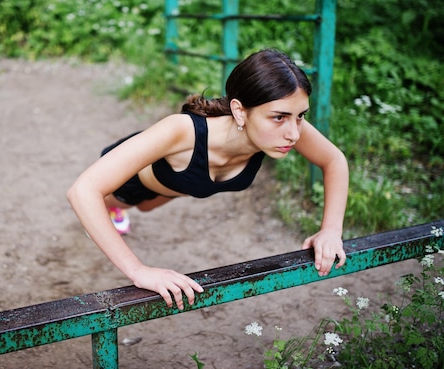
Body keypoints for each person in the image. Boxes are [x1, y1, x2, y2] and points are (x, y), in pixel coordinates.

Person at [67, 48, 348, 311]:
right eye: (279, 117)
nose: (294, 133)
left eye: (300, 116)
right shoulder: (181, 131)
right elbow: (82, 190)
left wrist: (331, 230)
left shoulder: (280, 127)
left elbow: (334, 159)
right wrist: (139, 271)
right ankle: (115, 208)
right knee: (117, 205)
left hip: (180, 188)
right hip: (134, 182)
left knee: (149, 206)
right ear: (240, 111)